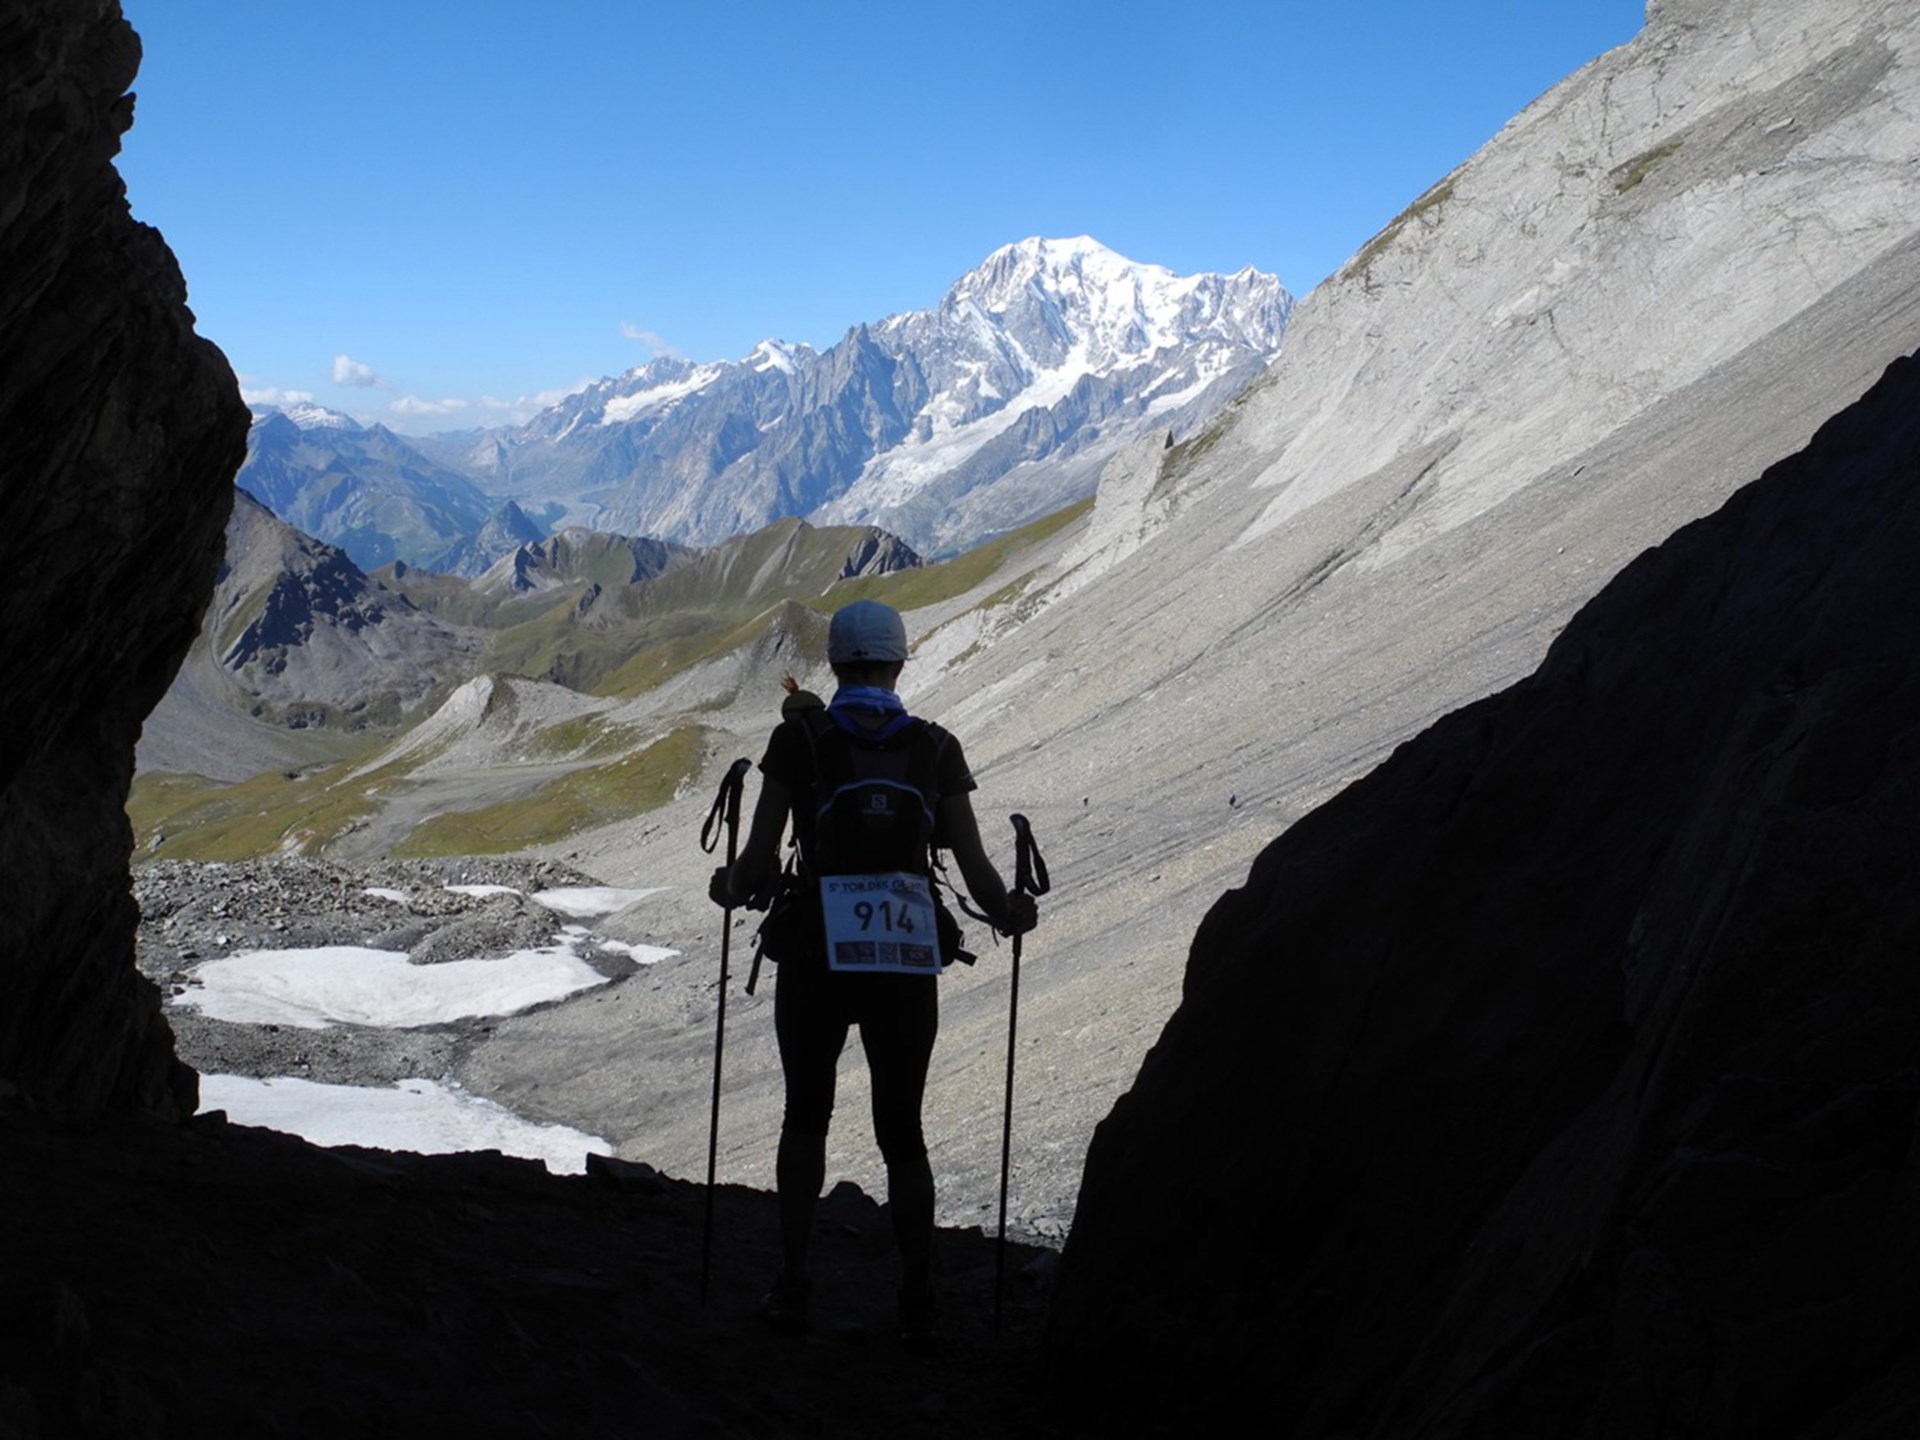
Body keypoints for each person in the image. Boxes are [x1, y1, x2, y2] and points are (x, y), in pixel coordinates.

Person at [710, 598, 1035, 1344]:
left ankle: (793, 1285)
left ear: (834, 662)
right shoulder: (935, 746)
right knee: (903, 1131)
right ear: (898, 662)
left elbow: (756, 864)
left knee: (805, 1117)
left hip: (815, 952)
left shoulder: (799, 741)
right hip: (905, 960)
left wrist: (730, 887)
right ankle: (917, 1297)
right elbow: (976, 870)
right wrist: (1010, 911)